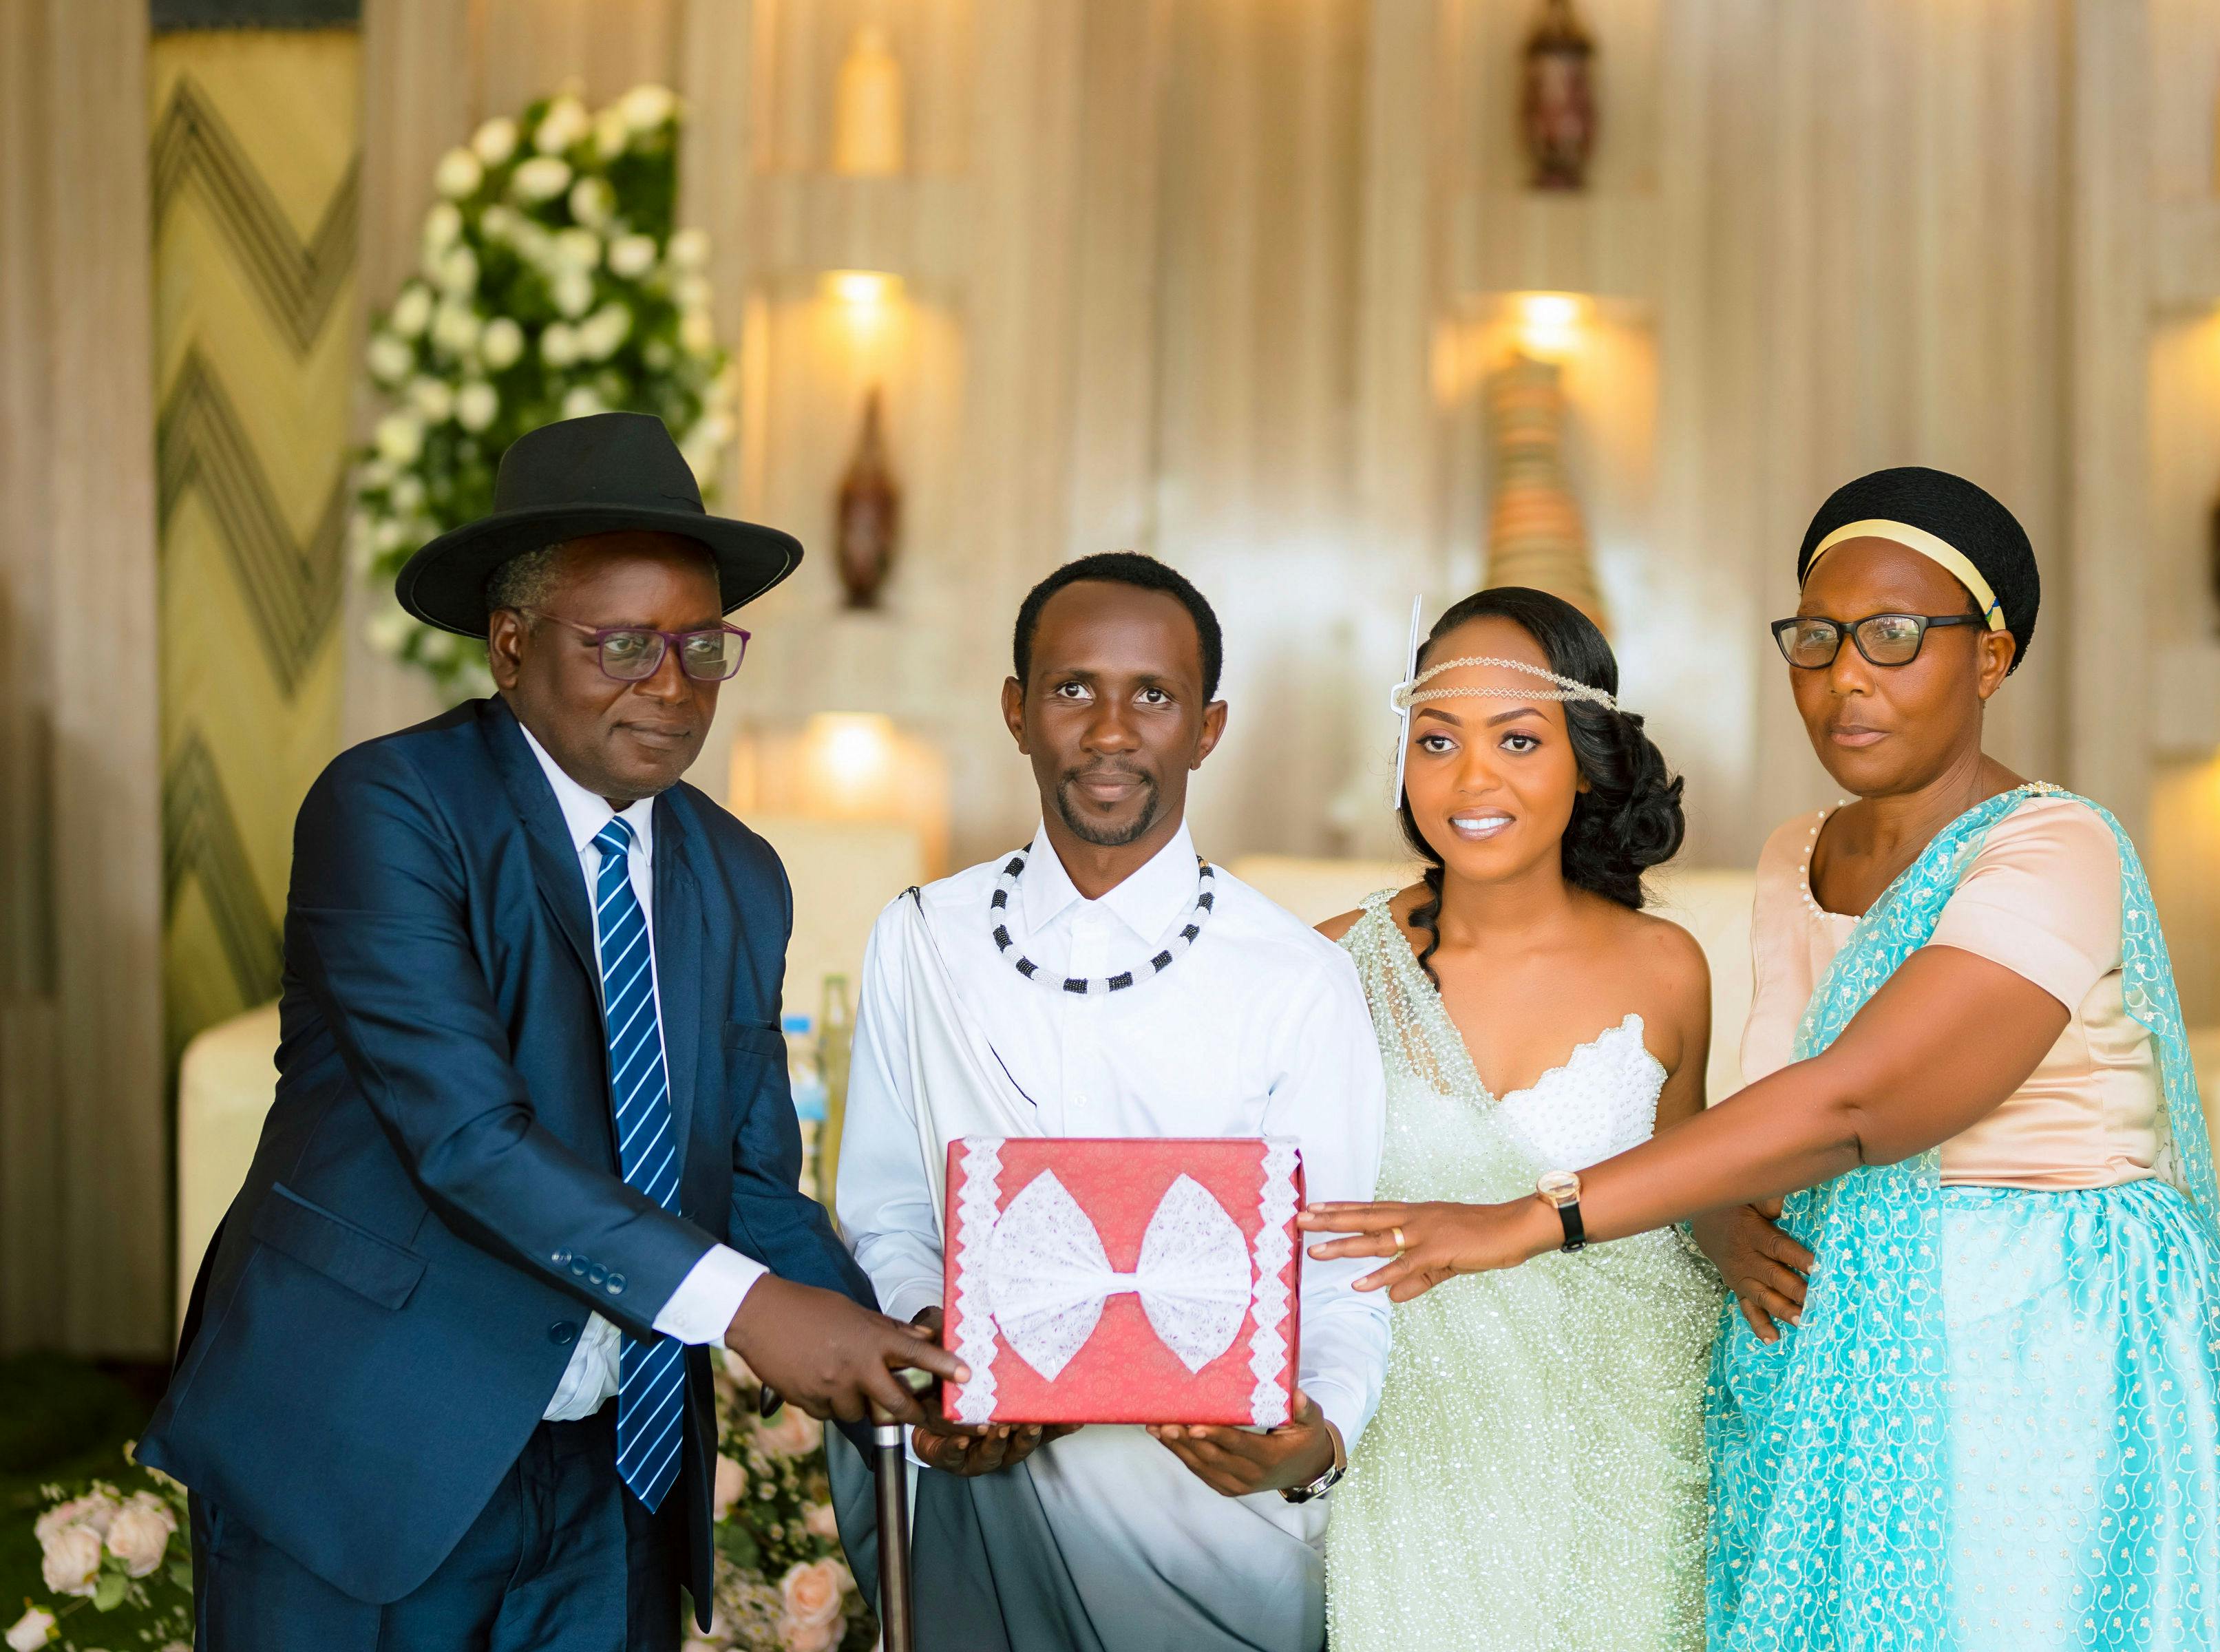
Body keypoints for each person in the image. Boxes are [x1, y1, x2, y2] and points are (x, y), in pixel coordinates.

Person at [1302, 467, 2220, 1650]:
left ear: (1992, 656)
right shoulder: (1796, 855)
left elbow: (1858, 1101)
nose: (1848, 677)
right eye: (1817, 639)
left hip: (2041, 1343)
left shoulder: (2056, 845)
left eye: (1894, 636)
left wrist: (1524, 1220)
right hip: (1848, 1338)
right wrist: (1716, 1217)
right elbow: (1756, 1118)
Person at [141, 412, 961, 1651]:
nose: (672, 684)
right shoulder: (390, 810)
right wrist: (752, 1313)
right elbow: (470, 1141)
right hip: (366, 1449)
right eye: (622, 643)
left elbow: (747, 1184)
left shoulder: (741, 874)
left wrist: (889, 1365)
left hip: (612, 1477)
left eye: (702, 645)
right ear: (511, 645)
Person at [832, 551, 1391, 1651]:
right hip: (980, 1490)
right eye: (1073, 688)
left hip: (1204, 1529)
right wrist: (935, 1354)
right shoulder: (922, 939)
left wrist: (1315, 1441)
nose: (1110, 730)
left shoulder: (1297, 979)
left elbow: (1339, 1274)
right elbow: (889, 1215)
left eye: (1154, 696)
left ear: (1209, 727)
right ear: (1017, 710)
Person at [1313, 586, 1801, 1652]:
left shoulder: (1665, 965)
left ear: (1584, 758)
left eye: (1518, 740)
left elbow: (1680, 1168)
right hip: (1424, 1446)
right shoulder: (1330, 970)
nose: (1472, 778)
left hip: (1628, 1438)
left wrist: (1742, 1236)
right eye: (1437, 740)